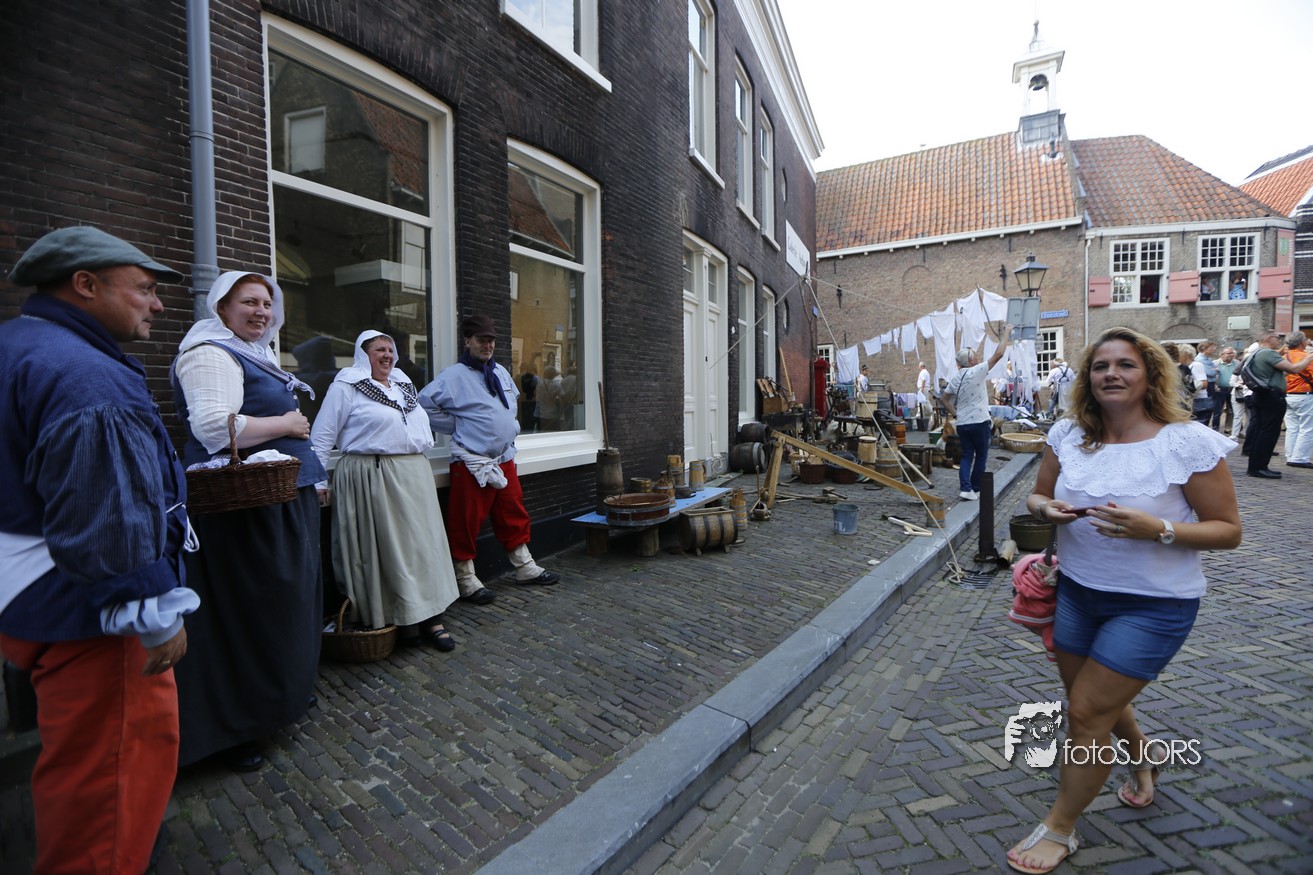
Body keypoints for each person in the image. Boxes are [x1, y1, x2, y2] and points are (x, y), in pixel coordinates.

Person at [0, 226, 198, 872]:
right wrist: (154, 611)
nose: (158, 304)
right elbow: (109, 518)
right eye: (144, 288)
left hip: (33, 602)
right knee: (109, 790)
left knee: (80, 772)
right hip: (95, 621)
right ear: (85, 284)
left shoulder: (16, 345)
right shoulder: (85, 375)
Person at [1009, 327, 1242, 874]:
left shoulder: (1185, 442)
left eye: (1126, 365)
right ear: (1087, 377)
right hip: (1077, 594)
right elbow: (1038, 494)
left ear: (1151, 375)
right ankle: (1146, 762)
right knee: (1096, 704)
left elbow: (1228, 530)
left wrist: (1158, 528)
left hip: (1153, 606)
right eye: (1101, 366)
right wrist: (1046, 510)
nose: (1111, 373)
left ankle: (1060, 827)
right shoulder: (1068, 434)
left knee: (1086, 712)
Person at [171, 270, 325, 772]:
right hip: (245, 510)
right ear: (221, 307)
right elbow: (214, 428)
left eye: (266, 302)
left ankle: (281, 699)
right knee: (251, 611)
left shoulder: (254, 354)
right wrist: (287, 423)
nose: (261, 311)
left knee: (287, 607)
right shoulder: (210, 353)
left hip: (278, 498)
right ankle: (237, 725)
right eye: (248, 302)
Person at [311, 330, 476, 644]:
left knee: (424, 548)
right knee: (391, 551)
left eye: (390, 350)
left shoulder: (403, 385)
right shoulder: (346, 386)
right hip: (373, 475)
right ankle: (401, 618)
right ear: (364, 355)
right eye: (379, 350)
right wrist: (318, 480)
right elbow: (322, 437)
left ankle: (432, 617)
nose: (387, 355)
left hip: (414, 473)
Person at [419, 315, 560, 597]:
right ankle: (465, 578)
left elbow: (511, 404)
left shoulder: (500, 372)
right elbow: (424, 406)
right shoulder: (453, 376)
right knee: (466, 519)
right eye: (481, 339)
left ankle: (524, 565)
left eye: (491, 340)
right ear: (467, 341)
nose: (488, 345)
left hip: (504, 457)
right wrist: (458, 425)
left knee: (512, 512)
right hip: (472, 460)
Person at [940, 321, 1011, 501]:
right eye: (976, 357)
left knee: (966, 456)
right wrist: (1006, 333)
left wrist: (956, 413)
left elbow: (944, 399)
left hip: (963, 423)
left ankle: (966, 488)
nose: (978, 359)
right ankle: (975, 487)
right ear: (970, 361)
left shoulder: (955, 378)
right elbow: (999, 354)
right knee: (981, 456)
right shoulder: (977, 371)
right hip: (979, 421)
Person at [1244, 329, 1313, 479]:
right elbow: (1295, 369)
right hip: (1271, 396)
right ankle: (1259, 467)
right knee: (1268, 432)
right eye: (1277, 337)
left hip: (1262, 395)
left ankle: (1257, 466)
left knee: (1262, 431)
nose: (1280, 340)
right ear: (1269, 338)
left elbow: (1282, 372)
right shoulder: (1269, 353)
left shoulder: (1257, 353)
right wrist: (1309, 357)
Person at [1281, 332, 1313, 469]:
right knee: (1307, 428)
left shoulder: (1283, 357)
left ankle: (1291, 455)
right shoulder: (1306, 357)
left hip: (1287, 395)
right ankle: (1300, 457)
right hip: (1304, 395)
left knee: (1292, 428)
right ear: (1301, 342)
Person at [1215, 346, 1237, 433]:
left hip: (1232, 389)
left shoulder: (1236, 363)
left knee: (1231, 410)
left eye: (1232, 353)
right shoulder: (1215, 363)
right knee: (1218, 410)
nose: (1231, 355)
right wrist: (1215, 386)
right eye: (1229, 353)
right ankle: (1215, 428)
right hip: (1219, 389)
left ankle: (1228, 428)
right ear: (1222, 355)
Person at [519, 364, 539, 433]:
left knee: (525, 419)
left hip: (523, 401)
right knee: (532, 419)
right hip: (533, 401)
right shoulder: (536, 378)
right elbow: (536, 390)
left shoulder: (522, 377)